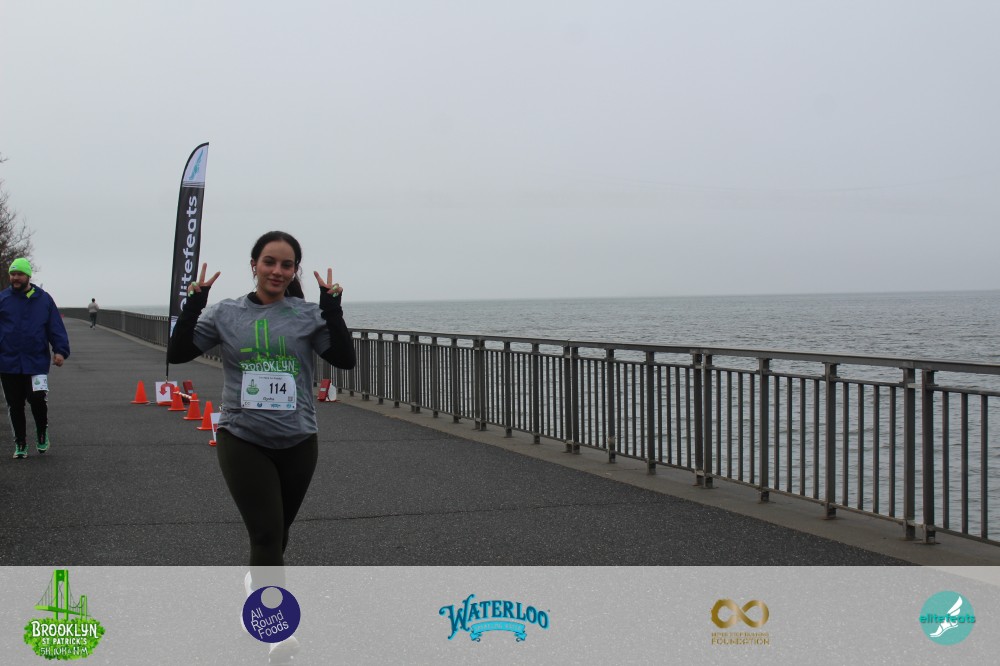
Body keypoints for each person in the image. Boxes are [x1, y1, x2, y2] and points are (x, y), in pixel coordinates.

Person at [167, 231, 355, 661]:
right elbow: (177, 353)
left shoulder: (307, 315)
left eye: (286, 265)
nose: (277, 271)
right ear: (254, 264)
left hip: (298, 439)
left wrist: (332, 309)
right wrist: (194, 303)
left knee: (277, 534)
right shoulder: (226, 313)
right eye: (269, 262)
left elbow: (345, 359)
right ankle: (276, 629)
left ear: (295, 271)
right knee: (267, 532)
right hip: (242, 437)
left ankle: (258, 582)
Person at [0, 258, 71, 459]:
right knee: (15, 404)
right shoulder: (3, 299)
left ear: (28, 276)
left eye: (19, 274)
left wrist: (60, 351)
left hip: (36, 361)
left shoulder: (43, 299)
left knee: (37, 398)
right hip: (8, 361)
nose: (15, 278)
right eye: (13, 274)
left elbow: (55, 326)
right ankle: (20, 443)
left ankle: (41, 432)